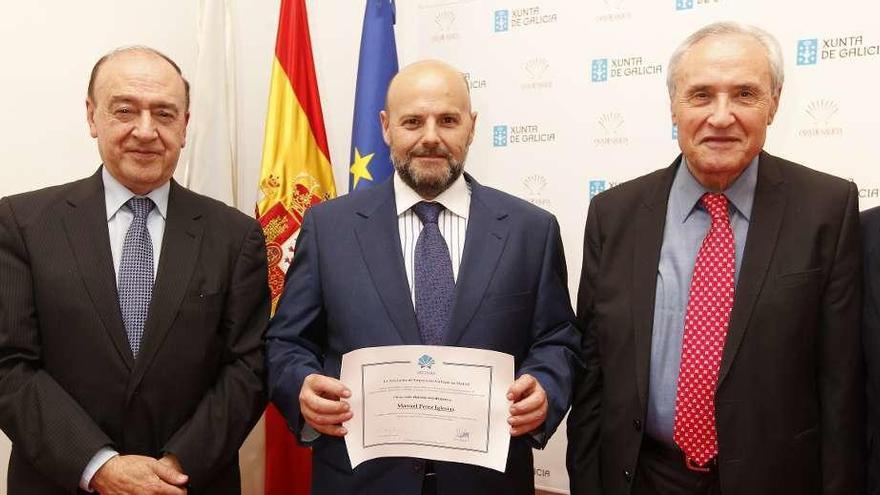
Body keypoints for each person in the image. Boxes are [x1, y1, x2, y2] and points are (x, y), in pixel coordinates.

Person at [567, 22, 863, 495]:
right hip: (643, 477)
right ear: (673, 105)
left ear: (775, 102)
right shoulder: (613, 214)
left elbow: (842, 388)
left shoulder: (827, 209)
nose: (721, 116)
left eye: (744, 94)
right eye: (701, 95)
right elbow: (593, 375)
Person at [266, 59, 582, 495]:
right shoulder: (328, 228)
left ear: (471, 127)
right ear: (385, 127)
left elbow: (558, 338)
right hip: (360, 482)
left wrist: (546, 385)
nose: (430, 137)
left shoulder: (531, 229)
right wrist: (301, 385)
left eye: (448, 120)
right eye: (413, 121)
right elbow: (286, 341)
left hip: (487, 483)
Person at [0, 47, 269, 494]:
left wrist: (174, 466)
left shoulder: (235, 236)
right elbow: (9, 365)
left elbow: (249, 367)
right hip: (62, 482)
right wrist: (99, 467)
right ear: (92, 117)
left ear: (184, 127)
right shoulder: (22, 224)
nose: (146, 131)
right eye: (125, 110)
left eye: (164, 114)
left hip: (188, 483)